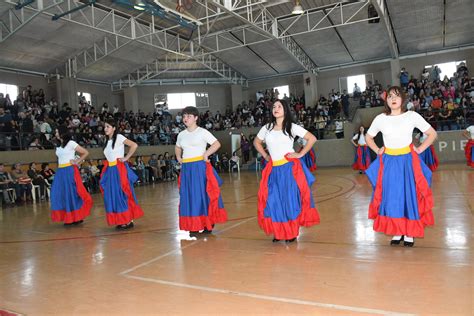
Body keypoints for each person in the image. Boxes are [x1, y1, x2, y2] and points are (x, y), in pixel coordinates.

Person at [365, 86, 437, 247]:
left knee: (409, 194)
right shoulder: (380, 119)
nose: (393, 99)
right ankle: (398, 231)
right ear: (386, 100)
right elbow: (368, 137)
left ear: (403, 99)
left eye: (396, 96)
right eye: (389, 96)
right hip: (389, 161)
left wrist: (420, 149)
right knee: (392, 196)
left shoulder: (412, 116)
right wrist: (378, 150)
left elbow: (432, 133)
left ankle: (410, 232)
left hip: (408, 162)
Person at [253, 99, 320, 243]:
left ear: (285, 110)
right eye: (274, 107)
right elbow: (256, 142)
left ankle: (291, 232)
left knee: (289, 201)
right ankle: (278, 232)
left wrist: (301, 154)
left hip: (289, 169)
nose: (276, 108)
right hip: (273, 169)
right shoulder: (267, 128)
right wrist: (265, 155)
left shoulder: (292, 127)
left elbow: (312, 138)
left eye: (279, 106)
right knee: (274, 200)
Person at [175, 106, 227, 236]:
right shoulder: (181, 134)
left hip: (199, 167)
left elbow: (216, 144)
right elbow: (177, 147)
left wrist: (206, 154)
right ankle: (193, 224)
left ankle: (207, 223)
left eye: (189, 116)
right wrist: (179, 158)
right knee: (189, 196)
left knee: (202, 195)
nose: (185, 118)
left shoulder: (202, 132)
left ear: (196, 118)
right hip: (187, 168)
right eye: (184, 116)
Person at [100, 118, 143, 230]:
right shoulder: (107, 141)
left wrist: (126, 158)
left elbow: (134, 145)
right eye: (105, 127)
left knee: (122, 193)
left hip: (119, 169)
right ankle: (120, 219)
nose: (105, 129)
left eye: (108, 126)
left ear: (114, 128)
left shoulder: (119, 137)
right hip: (110, 170)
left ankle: (128, 220)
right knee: (113, 195)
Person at [50, 126, 93, 225]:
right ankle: (68, 216)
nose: (55, 134)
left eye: (57, 132)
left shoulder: (71, 143)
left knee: (72, 193)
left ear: (62, 133)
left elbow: (85, 152)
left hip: (69, 170)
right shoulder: (58, 145)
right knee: (60, 193)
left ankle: (76, 217)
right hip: (60, 171)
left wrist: (77, 161)